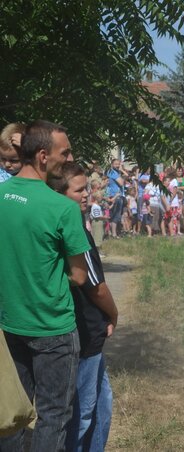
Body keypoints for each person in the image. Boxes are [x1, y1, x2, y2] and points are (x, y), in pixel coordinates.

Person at [0, 120, 90, 451]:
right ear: (42, 156)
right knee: (53, 417)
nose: (69, 158)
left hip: (9, 324)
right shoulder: (63, 208)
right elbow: (79, 276)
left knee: (11, 413)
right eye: (64, 153)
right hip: (53, 328)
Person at [48, 162, 118, 452]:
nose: (87, 195)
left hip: (88, 330)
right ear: (59, 194)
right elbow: (95, 286)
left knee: (102, 405)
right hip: (84, 330)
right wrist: (113, 313)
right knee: (83, 413)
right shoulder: (72, 226)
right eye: (79, 190)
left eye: (87, 188)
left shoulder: (70, 221)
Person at [106, 159, 128, 238]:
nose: (117, 165)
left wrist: (121, 170)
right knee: (115, 215)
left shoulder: (117, 173)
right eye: (116, 164)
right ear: (112, 164)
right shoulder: (112, 172)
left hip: (118, 195)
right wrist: (122, 175)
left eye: (118, 164)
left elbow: (126, 176)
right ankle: (113, 234)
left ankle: (114, 233)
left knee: (117, 215)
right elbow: (122, 183)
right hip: (114, 196)